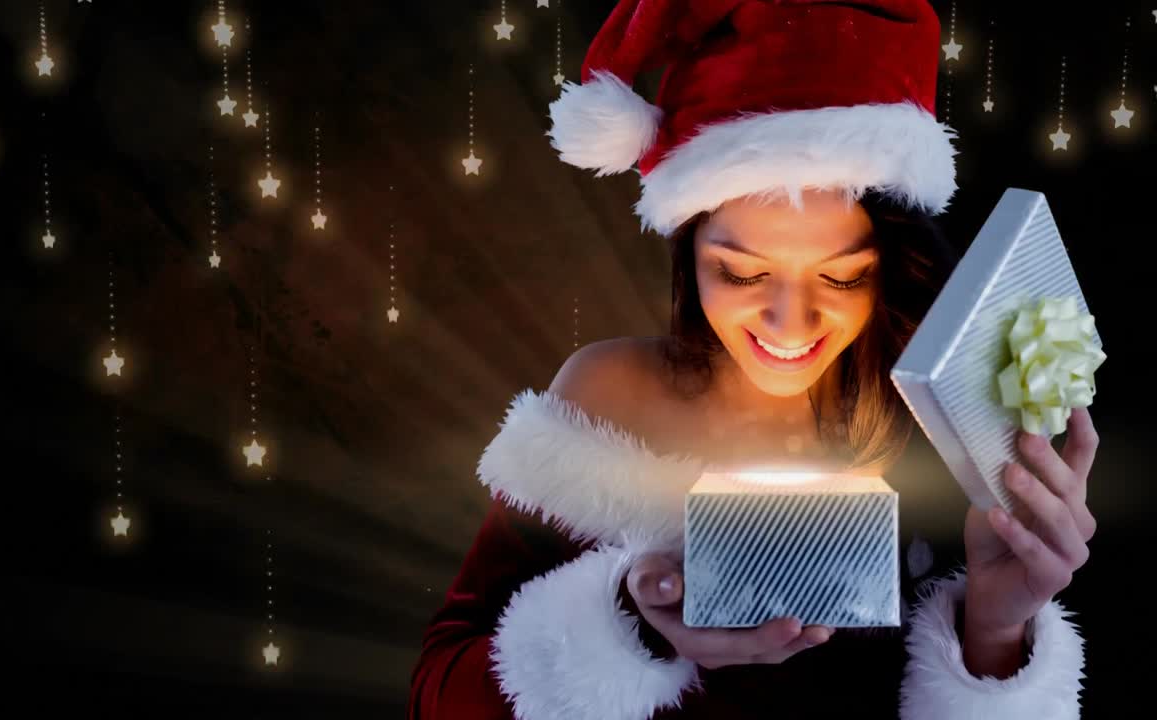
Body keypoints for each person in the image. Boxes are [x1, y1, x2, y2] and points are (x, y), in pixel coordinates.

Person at [409, 1, 1093, 718]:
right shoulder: (607, 398)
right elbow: (437, 696)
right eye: (741, 273)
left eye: (840, 277)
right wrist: (630, 629)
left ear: (890, 261)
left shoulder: (953, 420)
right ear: (687, 250)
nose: (790, 324)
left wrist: (994, 632)